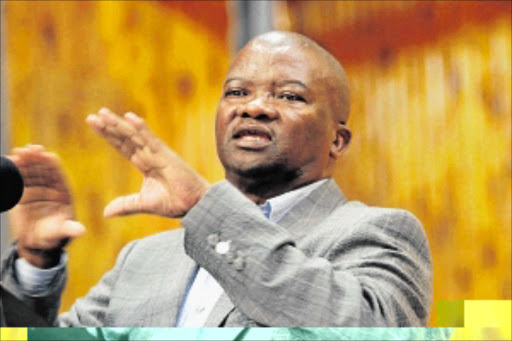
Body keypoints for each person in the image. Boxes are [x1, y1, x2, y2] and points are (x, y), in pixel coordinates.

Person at [1, 31, 432, 327]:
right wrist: (36, 264)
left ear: (337, 141)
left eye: (289, 96)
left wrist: (202, 208)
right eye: (237, 92)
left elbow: (365, 329)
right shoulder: (144, 259)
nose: (254, 107)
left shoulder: (377, 232)